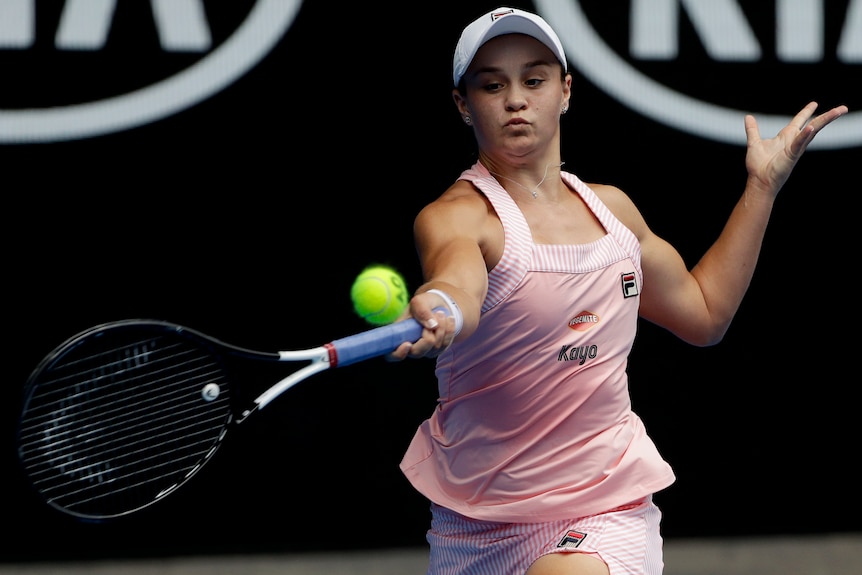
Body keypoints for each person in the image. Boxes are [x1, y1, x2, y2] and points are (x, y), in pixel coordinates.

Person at [387, 6, 848, 575]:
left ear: (565, 91)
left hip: (605, 504)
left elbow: (705, 315)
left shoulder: (615, 213)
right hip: (477, 525)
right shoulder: (456, 216)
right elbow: (457, 282)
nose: (515, 99)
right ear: (463, 104)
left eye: (534, 80)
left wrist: (760, 189)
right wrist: (445, 308)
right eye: (491, 85)